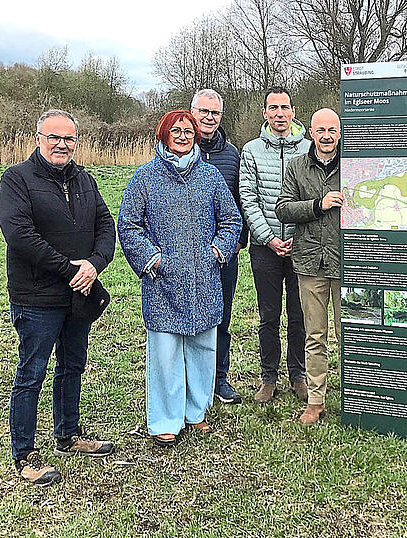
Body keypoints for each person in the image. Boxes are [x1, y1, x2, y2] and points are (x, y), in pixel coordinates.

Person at [0, 109, 116, 486]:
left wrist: (95, 264)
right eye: (54, 137)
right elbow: (20, 236)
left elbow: (105, 225)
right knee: (32, 373)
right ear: (38, 139)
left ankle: (68, 435)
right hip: (37, 297)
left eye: (69, 138)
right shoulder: (17, 179)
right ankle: (25, 453)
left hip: (79, 294)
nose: (62, 144)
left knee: (72, 366)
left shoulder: (85, 180)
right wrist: (70, 270)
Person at [117, 110, 241, 446]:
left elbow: (231, 220)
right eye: (176, 131)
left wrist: (217, 252)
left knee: (203, 348)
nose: (183, 136)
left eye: (188, 131)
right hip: (163, 282)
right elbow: (128, 225)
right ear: (164, 135)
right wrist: (154, 260)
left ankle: (196, 411)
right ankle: (165, 419)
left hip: (204, 279)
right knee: (166, 353)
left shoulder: (210, 176)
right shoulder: (145, 177)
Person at [239, 86, 310, 403]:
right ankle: (268, 376)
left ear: (293, 111)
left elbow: (314, 196)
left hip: (302, 246)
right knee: (269, 316)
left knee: (299, 315)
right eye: (273, 108)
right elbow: (248, 198)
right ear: (265, 113)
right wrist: (269, 238)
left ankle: (298, 374)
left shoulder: (309, 149)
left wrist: (298, 235)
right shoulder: (251, 150)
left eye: (284, 107)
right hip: (264, 248)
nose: (279, 113)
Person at [275, 108, 343, 425]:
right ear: (311, 133)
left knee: (350, 334)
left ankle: (358, 397)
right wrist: (319, 205)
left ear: (340, 133)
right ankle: (316, 401)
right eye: (321, 130)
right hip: (309, 263)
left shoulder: (354, 165)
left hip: (346, 262)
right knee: (315, 335)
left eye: (332, 130)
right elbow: (283, 208)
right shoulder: (297, 166)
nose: (326, 136)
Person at [191, 88, 248, 405]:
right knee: (189, 316)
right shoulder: (178, 150)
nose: (209, 118)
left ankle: (219, 378)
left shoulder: (232, 155)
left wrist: (239, 241)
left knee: (222, 318)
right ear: (193, 112)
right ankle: (190, 379)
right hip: (187, 253)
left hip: (224, 253)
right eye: (204, 111)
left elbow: (241, 200)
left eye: (214, 113)